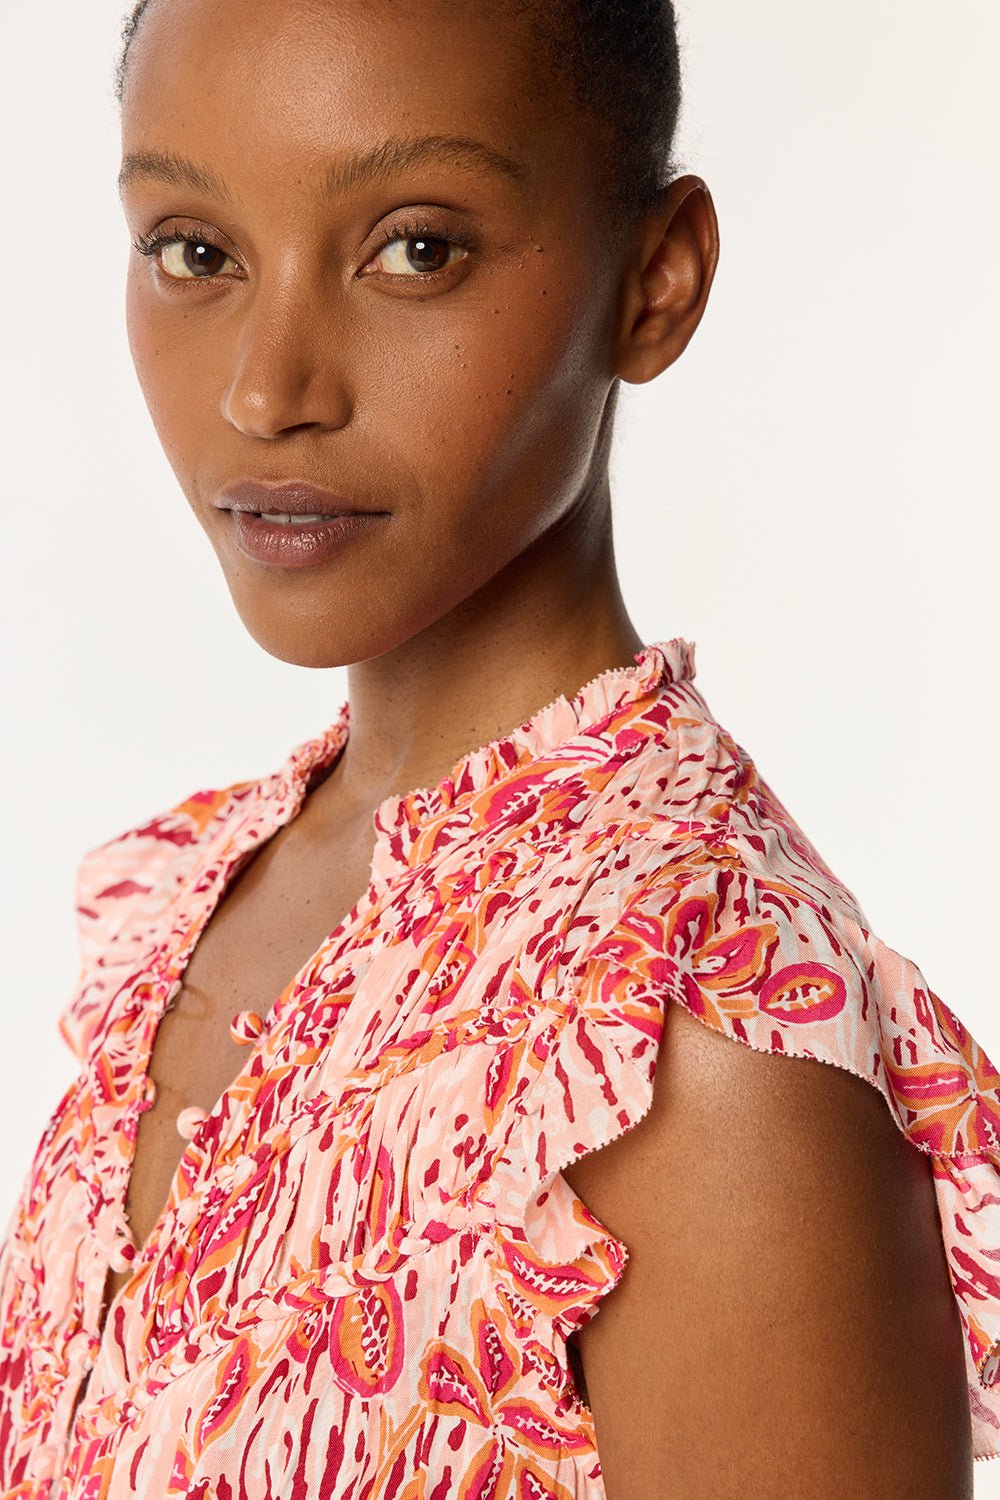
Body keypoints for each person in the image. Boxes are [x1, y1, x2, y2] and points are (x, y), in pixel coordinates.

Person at [0, 0, 993, 1495]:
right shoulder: (205, 889)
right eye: (195, 253)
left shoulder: (699, 1048)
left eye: (417, 249)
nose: (268, 393)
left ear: (654, 282)